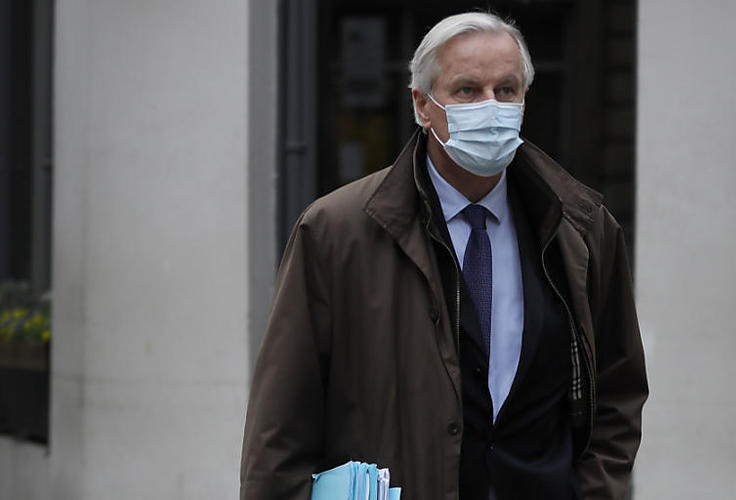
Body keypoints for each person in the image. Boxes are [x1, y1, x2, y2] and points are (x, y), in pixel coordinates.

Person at [240, 12, 647, 500]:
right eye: (468, 91)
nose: (491, 107)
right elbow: (281, 423)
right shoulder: (337, 233)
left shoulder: (581, 228)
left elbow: (618, 393)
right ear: (422, 105)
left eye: (506, 89)